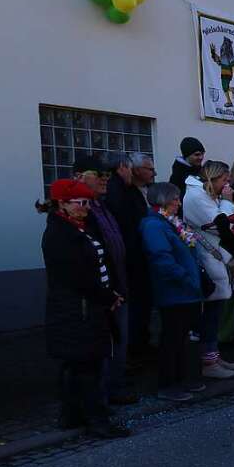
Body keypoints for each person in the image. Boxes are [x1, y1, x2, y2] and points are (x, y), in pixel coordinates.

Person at [41, 179, 130, 438]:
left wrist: (108, 291)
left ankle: (73, 415)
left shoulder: (79, 228)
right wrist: (105, 296)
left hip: (87, 306)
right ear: (62, 204)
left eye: (88, 203)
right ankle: (95, 419)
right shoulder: (60, 234)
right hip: (75, 309)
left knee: (81, 364)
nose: (86, 208)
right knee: (85, 365)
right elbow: (77, 276)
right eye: (80, 203)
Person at [75, 155, 133, 405]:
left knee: (119, 339)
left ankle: (114, 387)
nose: (105, 180)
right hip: (101, 289)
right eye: (98, 175)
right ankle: (102, 395)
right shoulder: (80, 211)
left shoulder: (101, 205)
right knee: (104, 343)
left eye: (107, 175)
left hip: (118, 282)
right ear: (79, 177)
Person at [141, 183, 205, 402]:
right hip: (174, 292)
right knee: (172, 340)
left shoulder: (169, 223)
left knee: (182, 339)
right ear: (162, 201)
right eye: (174, 199)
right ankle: (168, 384)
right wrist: (185, 278)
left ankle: (182, 379)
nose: (178, 203)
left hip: (185, 292)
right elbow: (162, 258)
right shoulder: (153, 225)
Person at [183, 161, 234, 380]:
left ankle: (213, 356)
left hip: (217, 258)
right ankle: (208, 361)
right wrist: (228, 203)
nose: (227, 185)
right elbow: (222, 224)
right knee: (210, 314)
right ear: (213, 178)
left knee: (215, 313)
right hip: (208, 259)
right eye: (224, 180)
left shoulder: (207, 195)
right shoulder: (196, 197)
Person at [105, 152, 157, 359]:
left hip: (140, 257)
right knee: (136, 307)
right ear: (131, 169)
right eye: (149, 169)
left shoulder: (142, 191)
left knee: (143, 307)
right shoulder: (122, 193)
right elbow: (130, 226)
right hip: (133, 259)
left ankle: (140, 345)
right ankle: (134, 351)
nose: (154, 173)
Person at [170, 138, 206, 203]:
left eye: (202, 154)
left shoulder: (200, 170)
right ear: (187, 155)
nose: (201, 157)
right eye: (197, 154)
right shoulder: (178, 176)